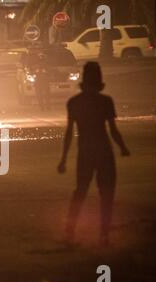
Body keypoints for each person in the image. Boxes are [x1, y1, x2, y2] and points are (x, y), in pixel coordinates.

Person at [57, 62, 130, 246]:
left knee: (80, 191)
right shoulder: (105, 102)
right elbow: (112, 130)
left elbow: (69, 133)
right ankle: (103, 235)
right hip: (104, 152)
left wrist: (64, 159)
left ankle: (69, 231)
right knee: (106, 194)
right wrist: (122, 147)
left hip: (85, 152)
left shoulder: (74, 103)